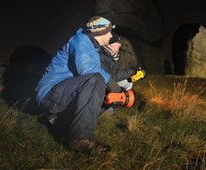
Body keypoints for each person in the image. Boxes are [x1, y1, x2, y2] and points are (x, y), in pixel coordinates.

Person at [35, 16, 134, 153]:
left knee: (101, 94)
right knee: (95, 80)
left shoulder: (92, 48)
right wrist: (112, 83)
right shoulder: (81, 41)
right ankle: (81, 139)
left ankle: (60, 120)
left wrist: (113, 88)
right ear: (100, 33)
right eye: (109, 32)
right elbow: (88, 71)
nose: (111, 35)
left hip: (62, 92)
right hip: (50, 93)